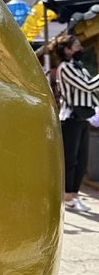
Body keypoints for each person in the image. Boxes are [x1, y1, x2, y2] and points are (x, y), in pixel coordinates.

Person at [55, 34, 98, 212]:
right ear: (67, 49)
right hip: (70, 118)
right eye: (77, 45)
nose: (80, 48)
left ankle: (74, 195)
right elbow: (87, 86)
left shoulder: (80, 68)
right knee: (70, 159)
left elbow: (91, 91)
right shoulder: (65, 67)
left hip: (82, 117)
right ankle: (67, 196)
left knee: (81, 160)